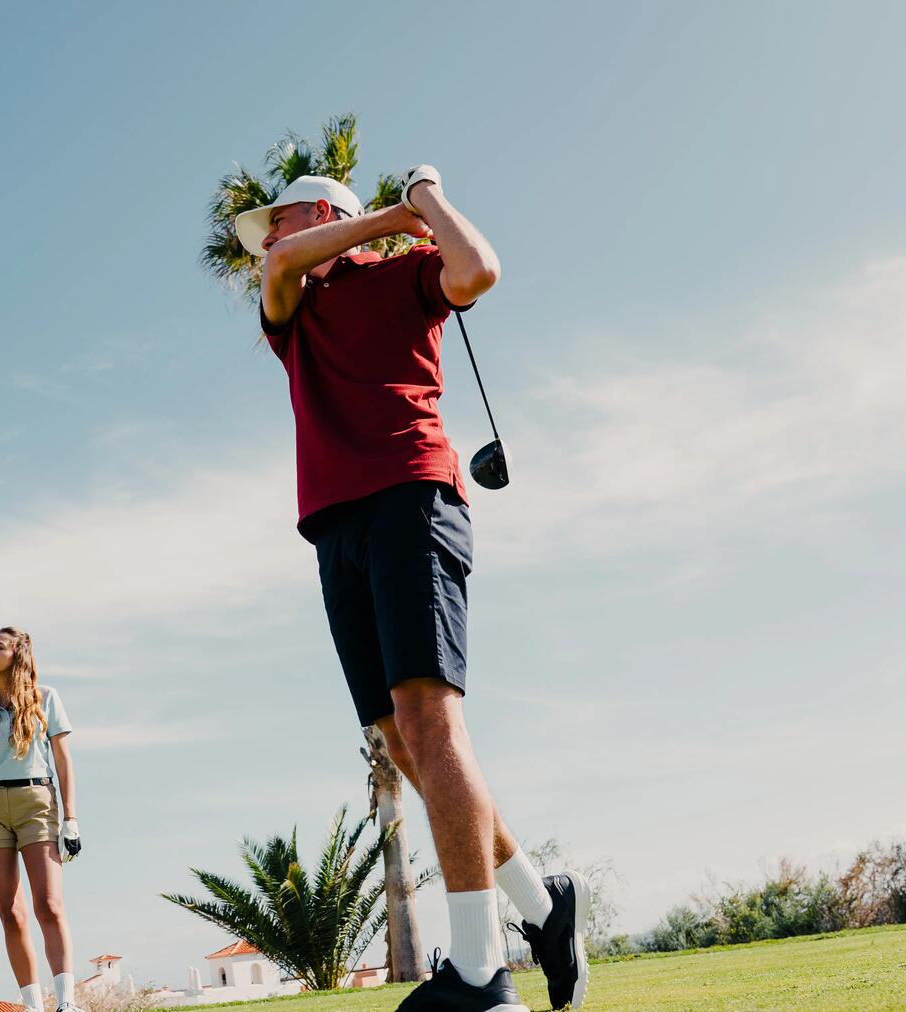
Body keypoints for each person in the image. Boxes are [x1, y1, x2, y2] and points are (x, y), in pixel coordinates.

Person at [235, 169, 588, 1012]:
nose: (270, 237)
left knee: (432, 725)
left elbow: (480, 271)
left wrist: (424, 200)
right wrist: (393, 213)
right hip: (334, 528)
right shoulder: (291, 305)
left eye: (279, 218)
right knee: (402, 742)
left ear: (320, 213)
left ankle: (478, 974)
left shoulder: (409, 273)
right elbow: (281, 263)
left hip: (411, 501)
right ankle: (544, 907)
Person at [0, 627, 83, 1012]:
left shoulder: (47, 698)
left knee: (49, 905)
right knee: (11, 912)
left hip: (37, 802)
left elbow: (63, 761)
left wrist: (71, 818)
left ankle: (66, 1003)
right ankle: (33, 1005)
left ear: (18, 654)